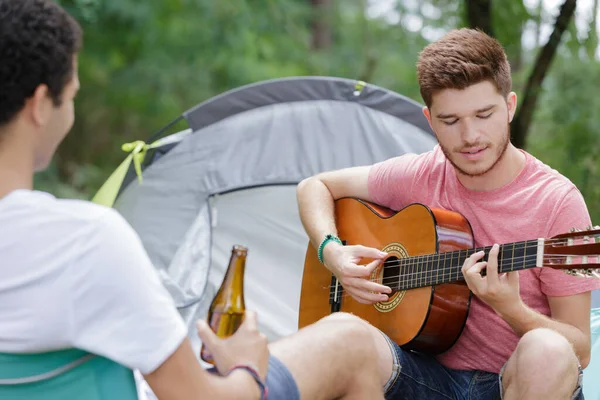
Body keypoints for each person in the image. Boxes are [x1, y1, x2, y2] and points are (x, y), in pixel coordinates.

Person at [0, 1, 385, 399]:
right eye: (72, 95)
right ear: (41, 104)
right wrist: (247, 365)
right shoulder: (83, 241)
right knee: (351, 340)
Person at [297, 28, 600, 400]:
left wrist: (512, 309)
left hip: (514, 385)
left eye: (484, 114)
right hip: (425, 377)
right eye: (450, 121)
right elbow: (315, 186)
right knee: (342, 333)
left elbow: (580, 350)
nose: (469, 136)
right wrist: (332, 251)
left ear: (509, 106)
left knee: (548, 349)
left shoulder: (557, 202)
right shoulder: (421, 173)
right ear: (429, 119)